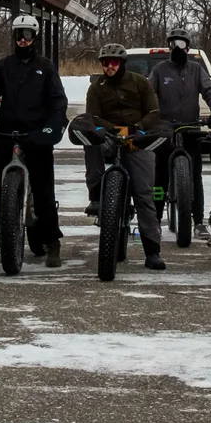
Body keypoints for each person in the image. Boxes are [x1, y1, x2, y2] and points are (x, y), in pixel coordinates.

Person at [0, 13, 67, 266]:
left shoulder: (46, 67)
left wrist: (51, 129)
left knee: (44, 192)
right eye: (18, 35)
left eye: (27, 35)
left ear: (34, 37)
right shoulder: (3, 66)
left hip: (36, 137)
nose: (23, 40)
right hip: (6, 135)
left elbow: (58, 102)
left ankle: (52, 242)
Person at [81, 46, 166, 269]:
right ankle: (96, 193)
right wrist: (113, 130)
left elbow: (154, 112)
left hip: (137, 140)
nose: (109, 66)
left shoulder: (140, 82)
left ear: (123, 63)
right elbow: (93, 116)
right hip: (109, 137)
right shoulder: (96, 87)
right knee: (90, 142)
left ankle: (152, 251)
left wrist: (136, 129)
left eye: (114, 62)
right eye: (105, 62)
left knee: (144, 195)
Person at [147, 31, 211, 247]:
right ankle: (155, 220)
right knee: (159, 177)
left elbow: (209, 90)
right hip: (165, 129)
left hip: (191, 127)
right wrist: (147, 116)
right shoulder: (160, 70)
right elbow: (148, 93)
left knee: (195, 175)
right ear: (169, 46)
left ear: (188, 47)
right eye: (173, 43)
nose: (178, 48)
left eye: (181, 44)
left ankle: (198, 221)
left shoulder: (196, 69)